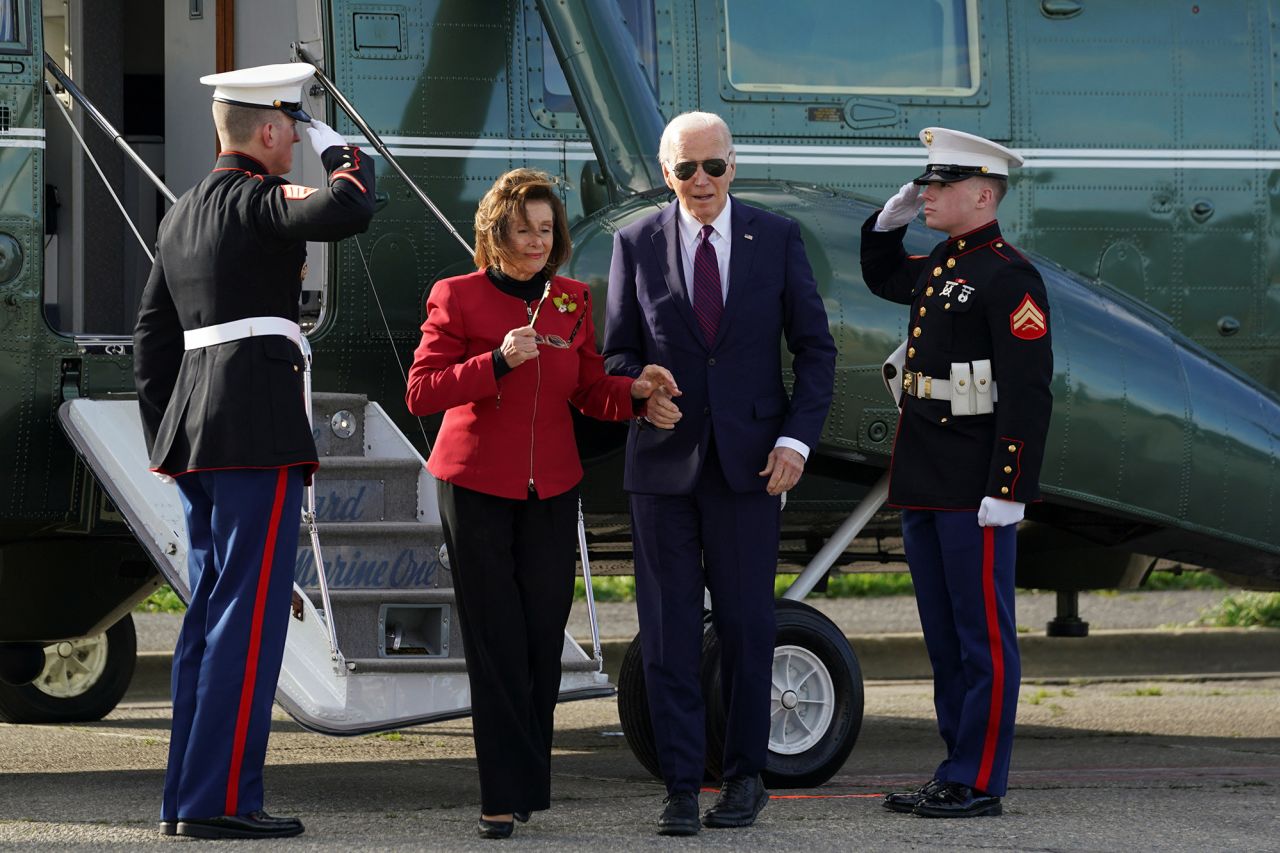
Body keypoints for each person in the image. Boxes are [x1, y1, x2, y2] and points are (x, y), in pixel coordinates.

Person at [133, 62, 376, 840]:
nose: (296, 144)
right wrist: (342, 150)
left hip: (199, 435)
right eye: (293, 128)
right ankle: (221, 803)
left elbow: (151, 340)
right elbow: (351, 207)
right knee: (249, 617)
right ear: (271, 129)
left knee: (209, 616)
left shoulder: (181, 213)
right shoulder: (259, 200)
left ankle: (188, 796)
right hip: (256, 430)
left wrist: (166, 436)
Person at [405, 168, 677, 840]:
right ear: (497, 231)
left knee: (539, 643)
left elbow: (587, 388)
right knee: (495, 641)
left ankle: (525, 779)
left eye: (545, 228)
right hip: (474, 488)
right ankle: (501, 795)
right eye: (523, 228)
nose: (535, 239)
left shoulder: (569, 301)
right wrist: (494, 362)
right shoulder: (458, 295)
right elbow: (421, 392)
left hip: (552, 488)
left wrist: (635, 390)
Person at [603, 112, 837, 836]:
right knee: (669, 634)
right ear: (664, 171)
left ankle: (742, 776)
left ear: (734, 166)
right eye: (685, 169)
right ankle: (680, 783)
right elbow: (614, 357)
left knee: (746, 628)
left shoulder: (777, 237)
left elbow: (816, 350)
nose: (701, 181)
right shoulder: (634, 241)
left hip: (751, 468)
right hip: (664, 472)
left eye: (714, 166)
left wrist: (797, 439)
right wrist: (640, 389)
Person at [860, 127, 1054, 818]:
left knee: (983, 639)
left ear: (982, 192)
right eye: (925, 184)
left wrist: (1008, 489)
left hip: (975, 485)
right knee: (945, 638)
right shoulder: (944, 262)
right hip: (925, 477)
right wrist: (887, 224)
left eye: (939, 185)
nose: (927, 193)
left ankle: (980, 779)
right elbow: (885, 276)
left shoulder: (1009, 276)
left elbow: (1027, 395)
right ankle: (954, 769)